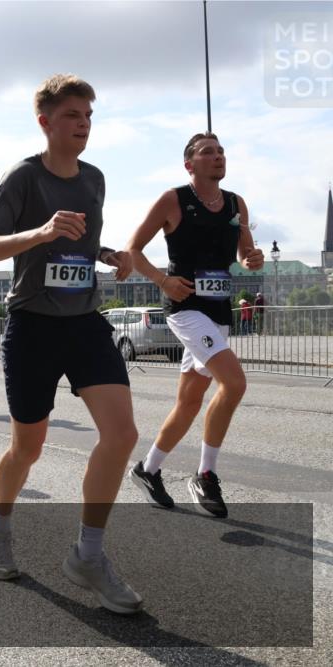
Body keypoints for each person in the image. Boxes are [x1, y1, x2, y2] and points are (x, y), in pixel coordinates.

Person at [0, 74, 142, 614]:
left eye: (89, 116)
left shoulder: (94, 179)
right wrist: (41, 233)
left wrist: (111, 254)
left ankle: (88, 555)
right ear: (45, 121)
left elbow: (81, 244)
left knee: (122, 434)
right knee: (29, 447)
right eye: (72, 116)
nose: (83, 125)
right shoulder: (23, 178)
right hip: (33, 326)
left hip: (85, 321)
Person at [125, 132, 264, 518]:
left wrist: (253, 258)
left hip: (218, 311)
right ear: (190, 164)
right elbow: (133, 249)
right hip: (184, 308)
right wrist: (162, 280)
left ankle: (147, 469)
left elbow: (245, 252)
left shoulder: (236, 203)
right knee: (234, 383)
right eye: (208, 152)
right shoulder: (173, 200)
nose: (218, 157)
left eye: (221, 151)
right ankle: (206, 473)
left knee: (188, 403)